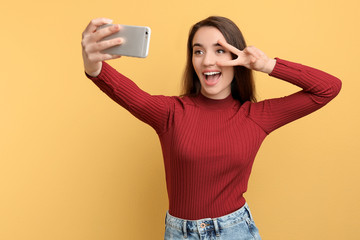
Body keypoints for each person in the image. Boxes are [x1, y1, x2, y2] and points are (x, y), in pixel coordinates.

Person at [81, 16, 341, 240]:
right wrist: (93, 64)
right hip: (179, 233)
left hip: (234, 230)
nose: (207, 61)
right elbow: (120, 88)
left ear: (235, 56)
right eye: (198, 51)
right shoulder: (170, 113)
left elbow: (328, 88)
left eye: (219, 50)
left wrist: (265, 65)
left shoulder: (256, 116)